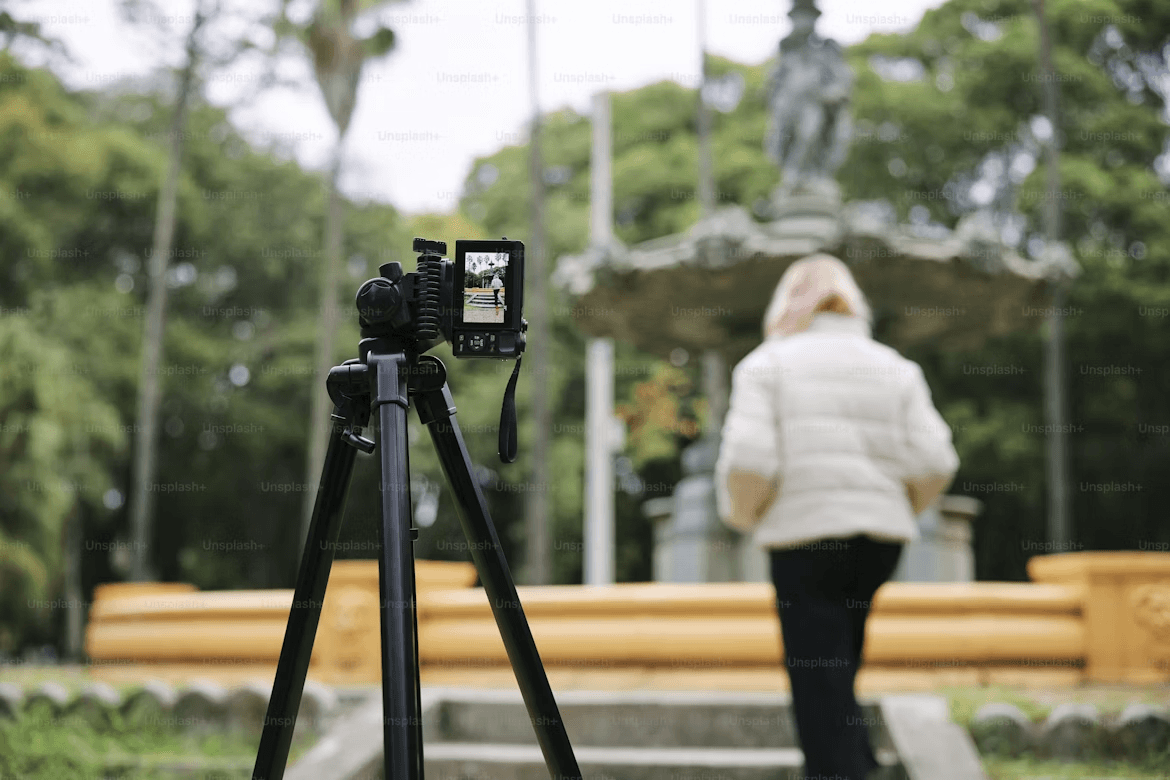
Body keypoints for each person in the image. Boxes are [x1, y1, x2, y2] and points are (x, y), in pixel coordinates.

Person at [714, 253, 959, 780]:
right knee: (841, 657)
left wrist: (744, 515)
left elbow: (749, 460)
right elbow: (936, 459)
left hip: (804, 537)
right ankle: (861, 761)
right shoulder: (896, 366)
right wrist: (899, 507)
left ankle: (839, 770)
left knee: (815, 669)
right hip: (878, 542)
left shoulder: (767, 363)